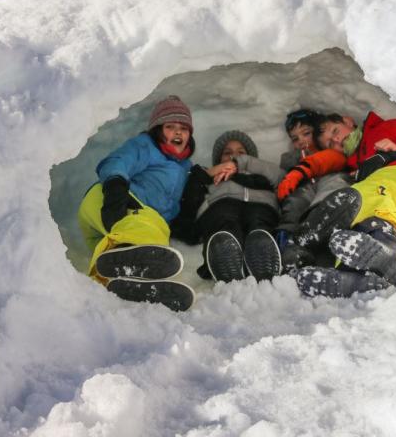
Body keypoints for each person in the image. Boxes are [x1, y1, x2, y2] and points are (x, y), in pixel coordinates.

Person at [290, 111, 396, 298]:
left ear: (348, 120)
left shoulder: (390, 127)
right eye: (331, 144)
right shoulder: (350, 164)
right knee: (366, 225)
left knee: (364, 196)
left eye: (335, 131)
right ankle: (358, 276)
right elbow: (320, 164)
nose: (337, 140)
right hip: (391, 204)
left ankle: (314, 233)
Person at [77, 95, 195, 311]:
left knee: (113, 258)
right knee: (153, 230)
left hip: (110, 232)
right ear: (158, 130)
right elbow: (117, 161)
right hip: (109, 201)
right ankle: (128, 265)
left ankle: (108, 288)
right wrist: (115, 189)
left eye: (184, 128)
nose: (178, 132)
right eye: (170, 126)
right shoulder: (146, 146)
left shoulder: (185, 168)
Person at [171, 130, 284, 282]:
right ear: (218, 159)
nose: (234, 156)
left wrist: (242, 164)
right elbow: (189, 202)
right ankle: (224, 255)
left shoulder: (263, 173)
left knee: (259, 225)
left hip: (261, 205)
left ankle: (263, 254)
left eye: (241, 152)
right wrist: (209, 173)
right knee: (224, 223)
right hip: (221, 205)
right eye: (227, 153)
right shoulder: (211, 176)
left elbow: (283, 177)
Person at [275, 108, 351, 271]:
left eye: (306, 133)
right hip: (305, 187)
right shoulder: (289, 159)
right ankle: (287, 244)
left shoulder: (330, 150)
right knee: (295, 201)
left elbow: (332, 159)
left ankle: (321, 224)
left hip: (328, 181)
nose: (301, 141)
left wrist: (299, 171)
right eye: (295, 138)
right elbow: (278, 175)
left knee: (333, 188)